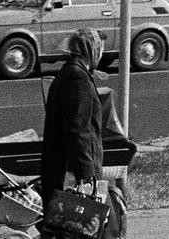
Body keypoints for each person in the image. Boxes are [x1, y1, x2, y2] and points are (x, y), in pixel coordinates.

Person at [39, 27, 106, 237]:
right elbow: (77, 129)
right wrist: (86, 173)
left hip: (61, 166)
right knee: (80, 230)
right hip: (70, 170)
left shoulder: (69, 73)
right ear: (92, 50)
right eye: (100, 49)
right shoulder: (77, 79)